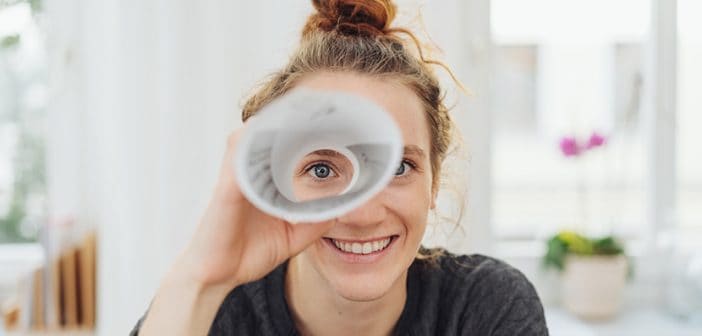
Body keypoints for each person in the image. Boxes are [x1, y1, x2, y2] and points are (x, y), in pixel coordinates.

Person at [132, 0, 548, 335]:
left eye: (399, 167)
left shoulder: (486, 308)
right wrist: (202, 278)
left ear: (434, 182)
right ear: (275, 184)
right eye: (321, 170)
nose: (362, 213)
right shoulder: (213, 314)